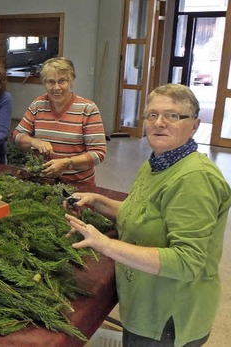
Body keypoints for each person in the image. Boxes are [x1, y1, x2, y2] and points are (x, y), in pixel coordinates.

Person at [64, 84, 231, 347]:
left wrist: (105, 244)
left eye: (173, 115)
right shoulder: (158, 162)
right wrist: (98, 202)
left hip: (167, 318)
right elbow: (143, 215)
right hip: (144, 303)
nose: (159, 123)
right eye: (152, 115)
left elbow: (188, 261)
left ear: (195, 125)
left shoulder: (194, 179)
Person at [13, 57, 107, 184]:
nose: (56, 87)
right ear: (44, 83)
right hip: (42, 183)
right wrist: (34, 142)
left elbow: (98, 153)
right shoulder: (38, 105)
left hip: (78, 186)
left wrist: (66, 163)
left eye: (62, 81)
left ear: (71, 81)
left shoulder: (88, 109)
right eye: (51, 82)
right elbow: (17, 136)